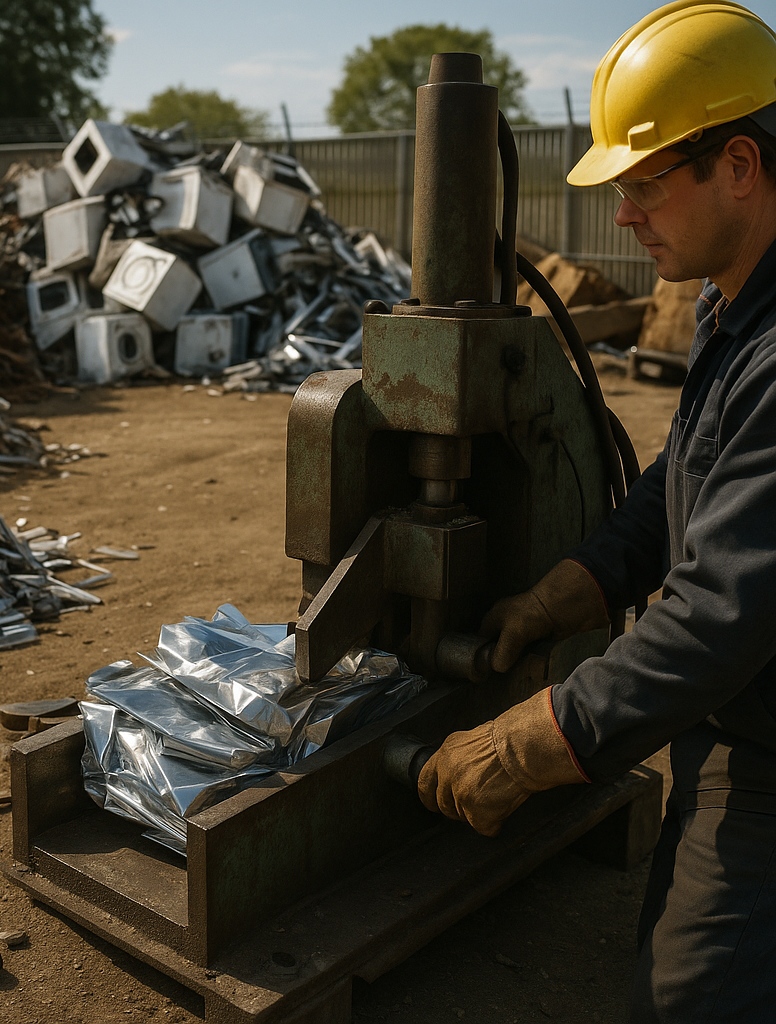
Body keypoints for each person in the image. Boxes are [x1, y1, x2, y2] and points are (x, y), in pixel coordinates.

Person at [414, 3, 776, 1021]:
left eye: (643, 186)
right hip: (739, 710)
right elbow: (688, 474)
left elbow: (719, 619)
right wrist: (571, 590)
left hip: (764, 738)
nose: (621, 218)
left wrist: (524, 745)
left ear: (738, 165)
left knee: (688, 1002)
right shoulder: (731, 301)